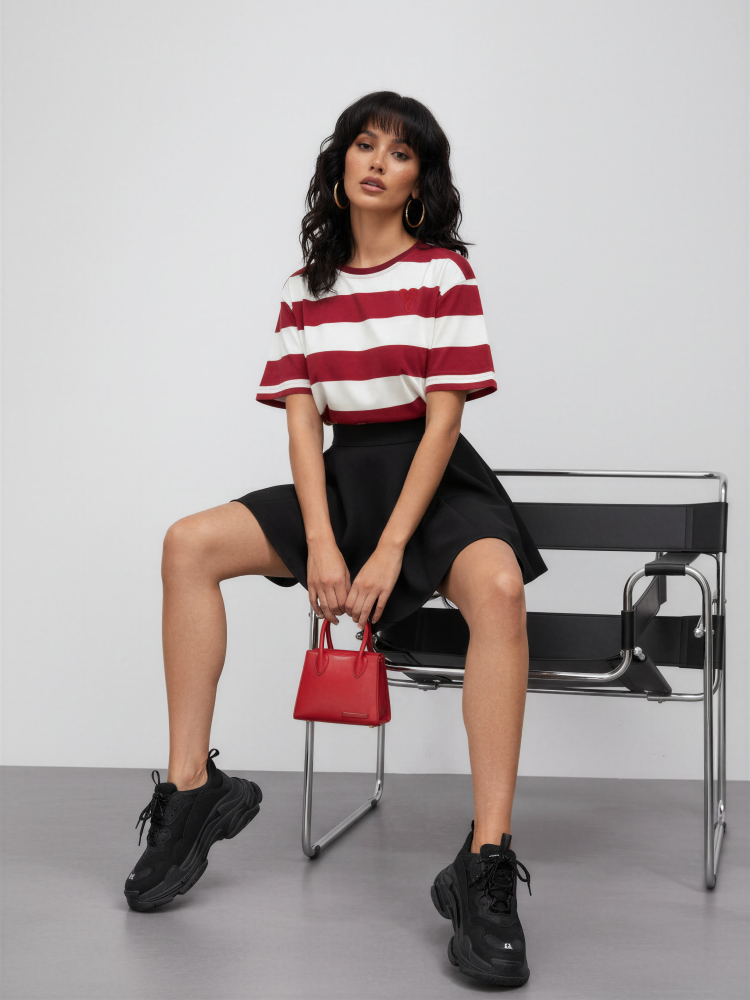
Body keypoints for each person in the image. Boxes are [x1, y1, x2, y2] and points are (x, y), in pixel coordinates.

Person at [124, 91, 546, 989]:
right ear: (340, 162)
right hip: (344, 481)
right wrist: (321, 540)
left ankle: (486, 858)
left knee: (500, 589)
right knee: (187, 544)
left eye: (400, 153)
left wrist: (388, 549)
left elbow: (443, 425)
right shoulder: (303, 290)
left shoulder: (444, 275)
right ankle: (192, 789)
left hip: (434, 482)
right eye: (364, 144)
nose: (378, 161)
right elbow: (301, 427)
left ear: (420, 183)